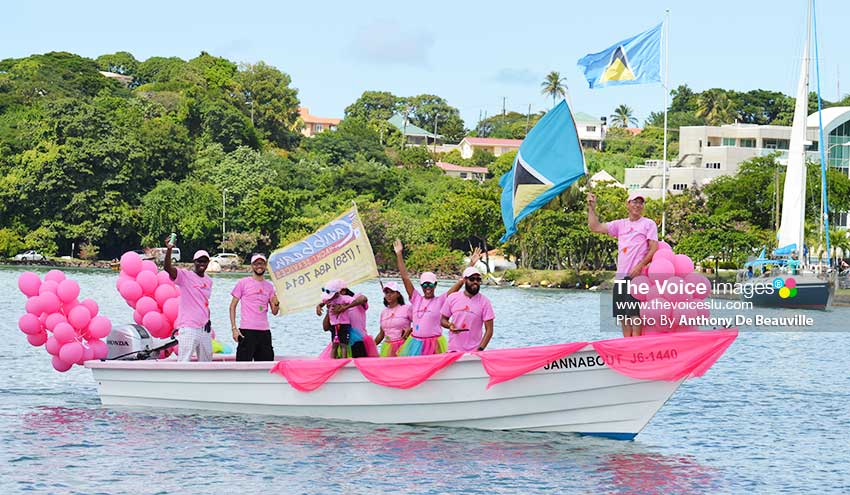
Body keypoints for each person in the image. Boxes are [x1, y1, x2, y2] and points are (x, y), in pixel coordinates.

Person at [587, 191, 659, 338]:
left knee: (634, 314)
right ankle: (627, 345)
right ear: (628, 204)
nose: (637, 205)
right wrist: (591, 207)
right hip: (620, 277)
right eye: (634, 202)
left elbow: (653, 248)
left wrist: (640, 266)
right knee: (623, 316)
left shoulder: (648, 224)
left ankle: (636, 346)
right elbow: (594, 227)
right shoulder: (619, 224)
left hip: (636, 277)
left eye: (640, 202)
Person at [393, 239, 480, 356]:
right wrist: (399, 254)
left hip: (434, 343)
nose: (427, 287)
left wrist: (471, 265)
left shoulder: (441, 301)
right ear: (421, 286)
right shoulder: (416, 298)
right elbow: (405, 278)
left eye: (430, 284)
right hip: (415, 343)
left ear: (435, 285)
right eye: (424, 284)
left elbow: (460, 283)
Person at [163, 238, 214, 362]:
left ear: (208, 263)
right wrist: (169, 249)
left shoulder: (209, 280)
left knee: (207, 362)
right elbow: (168, 268)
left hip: (204, 328)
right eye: (199, 261)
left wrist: (208, 319)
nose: (202, 264)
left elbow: (204, 302)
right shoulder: (185, 276)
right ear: (194, 262)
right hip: (189, 327)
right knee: (184, 361)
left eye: (205, 261)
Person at [229, 254, 280, 361]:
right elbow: (232, 306)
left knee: (266, 366)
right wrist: (234, 328)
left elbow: (274, 312)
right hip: (246, 331)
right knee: (242, 366)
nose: (259, 266)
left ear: (265, 265)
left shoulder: (270, 287)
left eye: (262, 263)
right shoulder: (243, 283)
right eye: (256, 264)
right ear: (252, 266)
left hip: (264, 332)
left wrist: (277, 303)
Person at [440, 266, 494, 352]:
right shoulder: (452, 298)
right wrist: (450, 325)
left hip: (474, 352)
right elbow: (442, 320)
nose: (475, 282)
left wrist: (480, 350)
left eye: (478, 279)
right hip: (453, 350)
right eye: (472, 279)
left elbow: (489, 331)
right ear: (465, 280)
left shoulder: (485, 302)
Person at [375, 282, 411, 357]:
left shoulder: (407, 308)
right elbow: (381, 334)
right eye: (386, 292)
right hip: (387, 347)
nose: (389, 295)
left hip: (403, 347)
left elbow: (419, 324)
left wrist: (411, 330)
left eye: (392, 292)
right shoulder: (383, 312)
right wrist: (370, 346)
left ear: (398, 294)